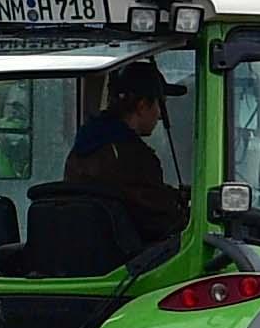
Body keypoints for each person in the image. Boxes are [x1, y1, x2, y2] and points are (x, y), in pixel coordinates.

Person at [67, 59, 188, 258]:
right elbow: (157, 218)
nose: (159, 116)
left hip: (81, 255)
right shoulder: (136, 157)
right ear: (142, 106)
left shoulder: (80, 150)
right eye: (160, 105)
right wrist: (182, 210)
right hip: (125, 263)